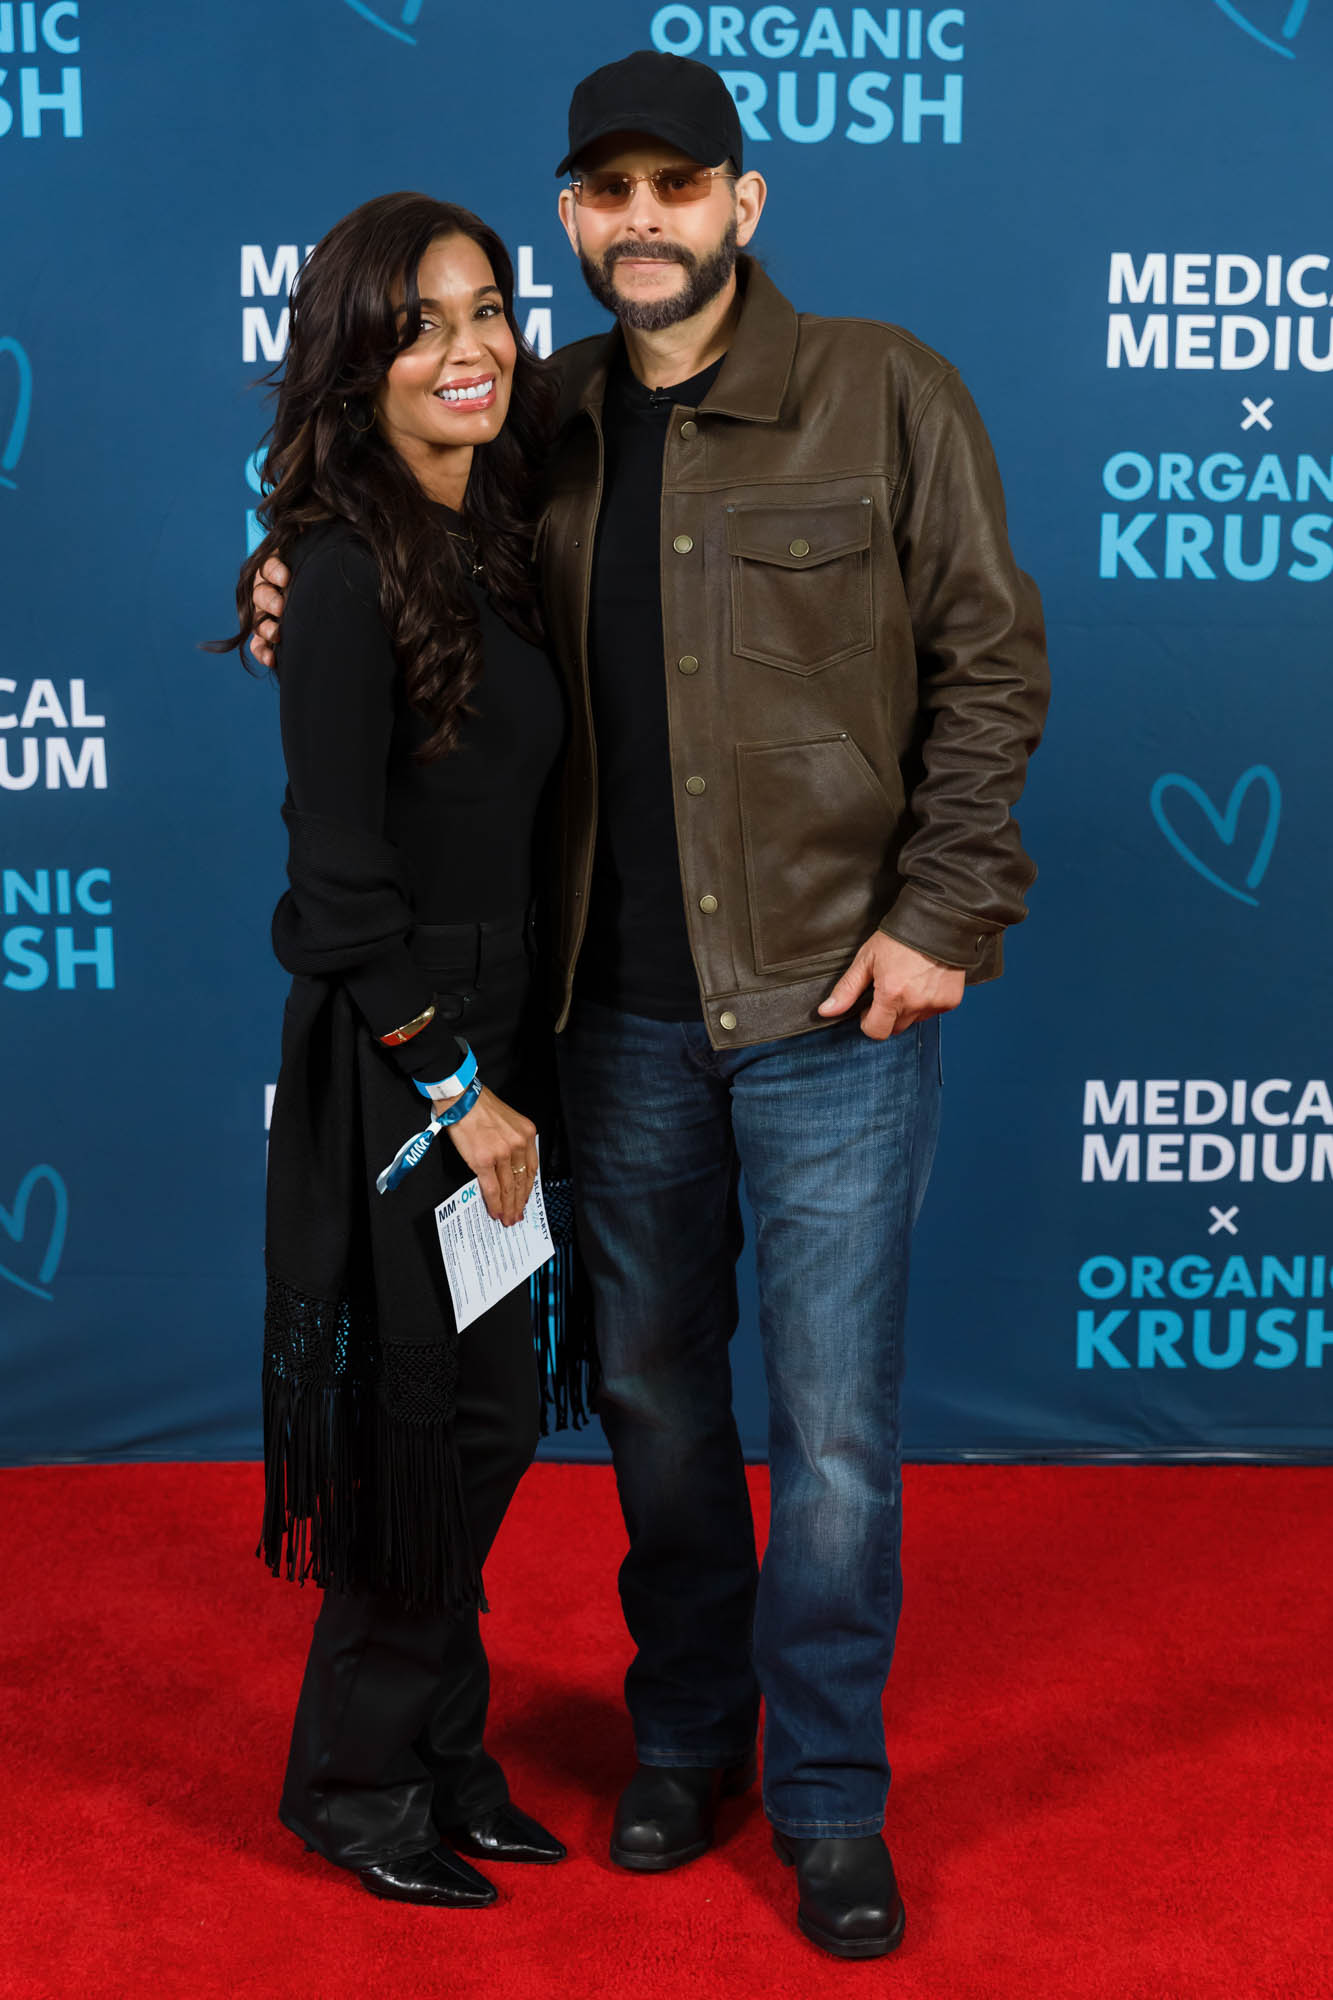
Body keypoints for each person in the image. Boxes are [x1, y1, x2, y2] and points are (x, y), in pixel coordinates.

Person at [253, 51, 1049, 1959]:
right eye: (604, 192)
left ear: (740, 205)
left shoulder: (885, 390)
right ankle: (686, 1739)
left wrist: (943, 910)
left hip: (833, 1015)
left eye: (675, 188)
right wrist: (287, 575)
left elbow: (990, 663)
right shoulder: (542, 418)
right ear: (573, 219)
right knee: (654, 1407)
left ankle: (828, 1797)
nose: (640, 222)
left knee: (832, 1438)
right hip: (600, 1027)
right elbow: (382, 529)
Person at [226, 191, 595, 1910]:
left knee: (487, 1420)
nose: (467, 351)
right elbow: (333, 883)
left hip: (503, 1026)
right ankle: (355, 1785)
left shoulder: (496, 522)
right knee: (422, 1435)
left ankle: (444, 1751)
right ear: (352, 362)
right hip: (407, 1050)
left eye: (486, 311)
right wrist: (454, 1084)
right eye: (418, 326)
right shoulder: (340, 570)